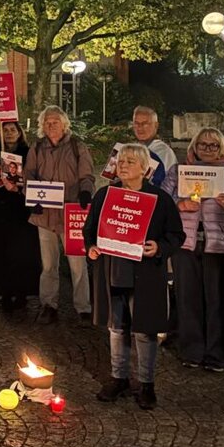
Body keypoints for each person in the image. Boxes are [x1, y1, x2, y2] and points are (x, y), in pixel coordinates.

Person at [85, 143, 185, 410]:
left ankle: (146, 384)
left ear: (145, 168)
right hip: (114, 272)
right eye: (121, 161)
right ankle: (119, 378)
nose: (124, 165)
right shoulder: (105, 195)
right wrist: (91, 248)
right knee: (116, 329)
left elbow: (177, 234)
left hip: (146, 274)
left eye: (130, 161)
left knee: (144, 331)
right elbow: (90, 229)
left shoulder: (160, 199)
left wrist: (160, 248)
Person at [161, 128, 224, 371]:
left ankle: (217, 355)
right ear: (194, 148)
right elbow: (162, 201)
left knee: (218, 301)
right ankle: (192, 351)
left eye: (214, 145)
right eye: (203, 145)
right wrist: (180, 204)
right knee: (188, 299)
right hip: (186, 243)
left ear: (222, 148)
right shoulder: (178, 172)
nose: (208, 149)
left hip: (221, 246)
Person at [24, 105, 95, 324]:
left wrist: (85, 193)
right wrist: (32, 197)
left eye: (55, 121)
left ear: (64, 124)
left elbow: (87, 175)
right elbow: (29, 175)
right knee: (48, 265)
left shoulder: (77, 147)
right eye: (47, 122)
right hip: (45, 215)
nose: (51, 125)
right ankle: (48, 304)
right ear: (42, 126)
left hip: (71, 214)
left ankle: (83, 307)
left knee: (78, 264)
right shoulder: (36, 148)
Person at [0, 121, 41, 311]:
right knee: (0, 251)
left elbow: (37, 176)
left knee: (22, 251)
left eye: (13, 130)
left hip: (21, 208)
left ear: (20, 132)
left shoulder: (29, 152)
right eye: (5, 130)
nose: (9, 133)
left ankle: (22, 293)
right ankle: (4, 292)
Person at [130, 106, 178, 186]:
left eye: (145, 123)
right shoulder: (131, 149)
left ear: (156, 125)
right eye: (136, 123)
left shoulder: (164, 152)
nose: (140, 127)